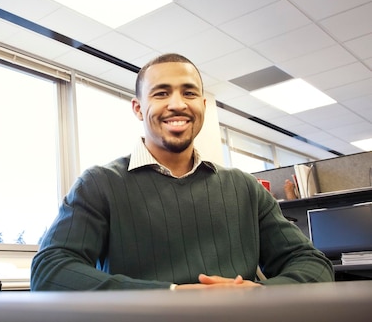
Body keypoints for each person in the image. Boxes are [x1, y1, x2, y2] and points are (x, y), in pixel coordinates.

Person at [30, 53, 334, 290]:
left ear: (202, 104)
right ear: (138, 108)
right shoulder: (99, 184)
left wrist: (257, 293)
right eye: (161, 94)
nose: (177, 104)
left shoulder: (244, 188)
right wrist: (173, 293)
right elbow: (50, 270)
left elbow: (313, 264)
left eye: (189, 94)